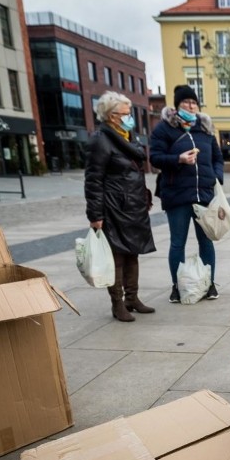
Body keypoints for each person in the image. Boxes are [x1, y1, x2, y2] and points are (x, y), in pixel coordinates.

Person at [85, 91, 156, 322]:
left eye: (130, 113)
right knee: (116, 257)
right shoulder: (101, 140)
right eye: (125, 114)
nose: (129, 117)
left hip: (133, 206)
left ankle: (132, 298)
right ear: (111, 115)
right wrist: (95, 214)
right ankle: (117, 303)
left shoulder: (127, 137)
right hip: (114, 207)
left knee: (132, 253)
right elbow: (93, 179)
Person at [149, 85, 224, 303]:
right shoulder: (164, 129)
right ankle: (176, 285)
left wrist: (216, 177)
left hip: (204, 195)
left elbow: (217, 158)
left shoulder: (206, 129)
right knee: (177, 243)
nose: (190, 106)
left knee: (206, 242)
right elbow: (154, 157)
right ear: (177, 105)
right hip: (177, 195)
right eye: (186, 103)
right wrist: (178, 159)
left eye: (193, 103)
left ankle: (209, 284)